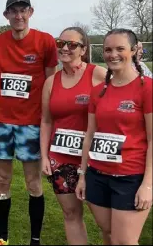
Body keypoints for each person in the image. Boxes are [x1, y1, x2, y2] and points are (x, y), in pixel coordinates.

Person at [0, 0, 58, 245]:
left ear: (31, 12)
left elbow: (51, 83)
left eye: (23, 10)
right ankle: (2, 236)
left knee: (33, 181)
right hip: (2, 122)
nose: (18, 15)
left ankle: (35, 239)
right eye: (13, 11)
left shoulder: (46, 41)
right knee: (3, 179)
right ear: (6, 15)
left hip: (31, 123)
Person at [75, 28, 152, 245]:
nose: (113, 54)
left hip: (130, 178)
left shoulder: (147, 89)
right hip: (97, 176)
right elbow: (89, 135)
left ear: (135, 50)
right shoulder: (98, 91)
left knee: (124, 241)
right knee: (108, 235)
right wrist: (83, 175)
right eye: (108, 49)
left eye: (120, 49)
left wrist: (148, 185)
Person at [40, 27, 106, 245]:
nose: (65, 48)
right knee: (71, 215)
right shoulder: (51, 82)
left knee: (106, 223)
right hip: (61, 159)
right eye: (61, 43)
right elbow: (47, 121)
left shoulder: (97, 74)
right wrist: (44, 156)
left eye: (72, 44)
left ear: (84, 49)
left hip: (95, 160)